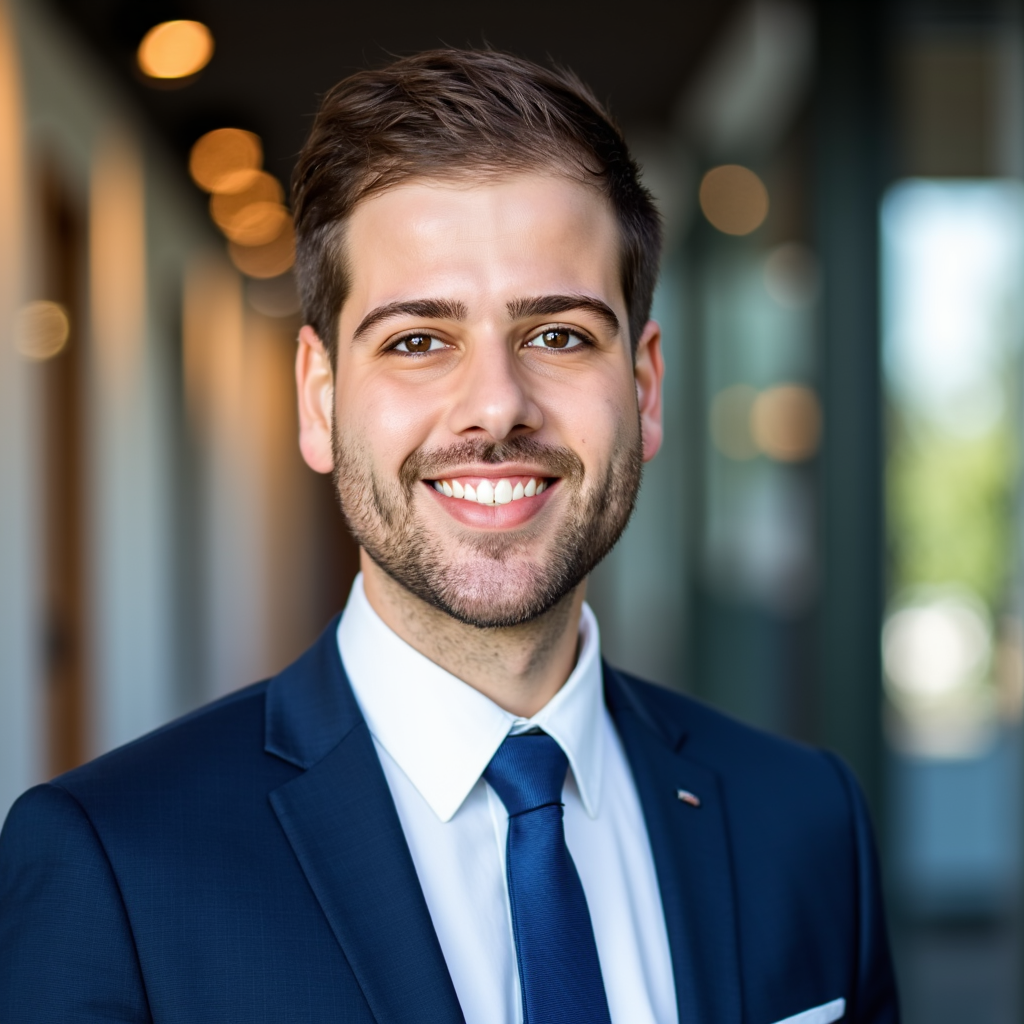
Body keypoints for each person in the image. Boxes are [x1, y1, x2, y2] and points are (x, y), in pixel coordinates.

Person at [0, 48, 898, 1024]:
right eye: (418, 341)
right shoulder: (115, 866)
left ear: (643, 388)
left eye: (557, 335)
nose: (495, 408)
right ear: (320, 398)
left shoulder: (805, 821)